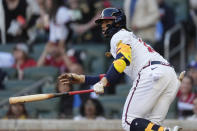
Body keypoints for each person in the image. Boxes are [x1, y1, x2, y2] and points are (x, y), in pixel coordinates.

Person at [58, 8, 182, 131]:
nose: (103, 26)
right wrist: (83, 79)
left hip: (151, 73)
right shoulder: (128, 37)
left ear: (117, 22)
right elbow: (114, 73)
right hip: (169, 76)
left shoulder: (118, 36)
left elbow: (122, 59)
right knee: (149, 125)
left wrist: (103, 82)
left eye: (106, 22)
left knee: (129, 121)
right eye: (102, 23)